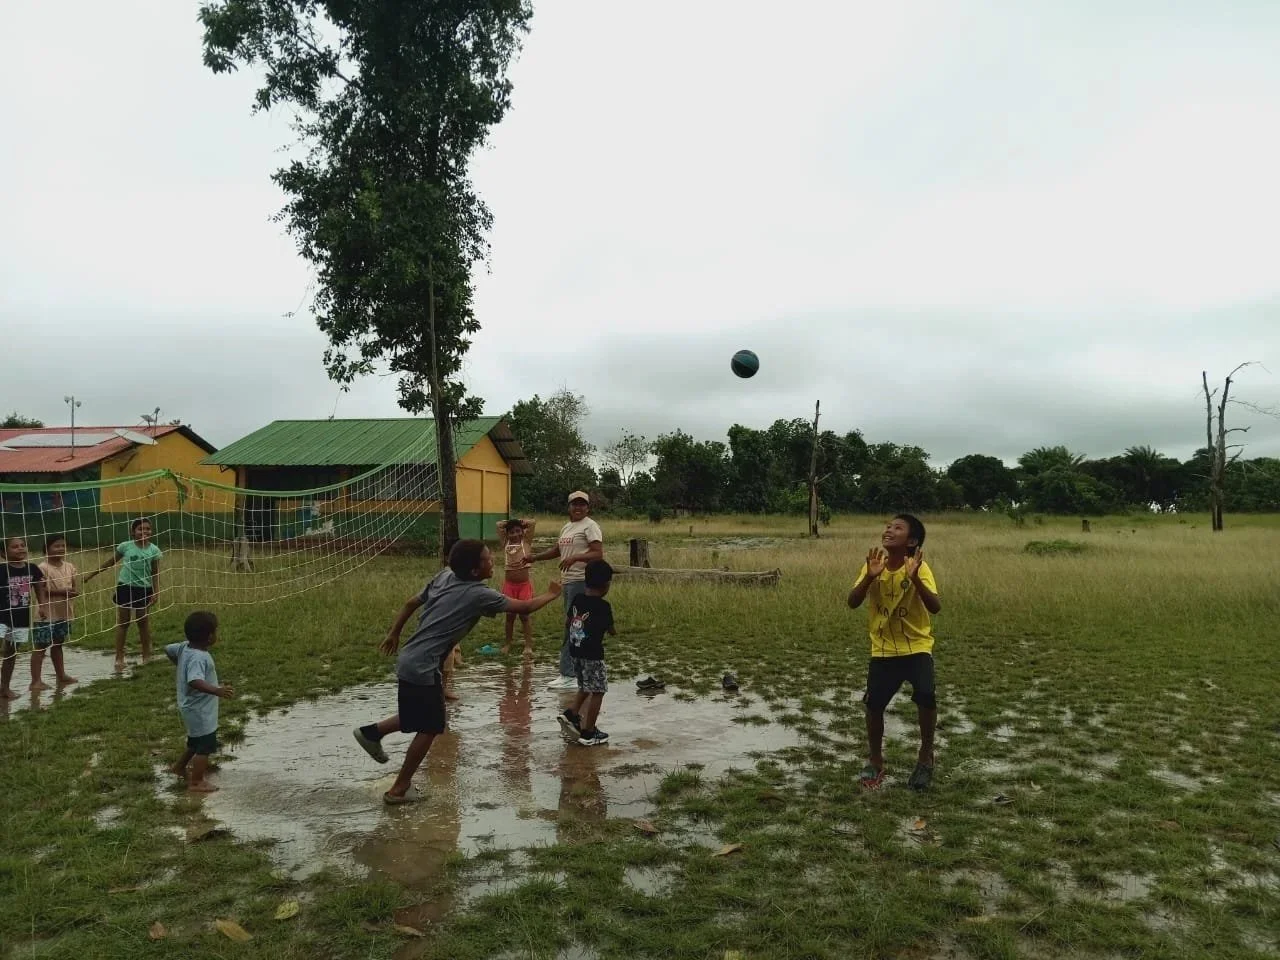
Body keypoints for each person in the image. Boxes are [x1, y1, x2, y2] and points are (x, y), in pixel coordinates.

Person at [352, 539, 561, 805]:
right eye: (487, 558)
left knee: (420, 713)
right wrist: (552, 593)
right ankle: (399, 789)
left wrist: (394, 633)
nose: (493, 560)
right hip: (423, 665)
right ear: (475, 571)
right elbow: (525, 607)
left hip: (411, 659)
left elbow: (409, 602)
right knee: (430, 726)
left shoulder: (445, 576)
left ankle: (372, 732)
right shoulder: (479, 594)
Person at [847, 514, 942, 792]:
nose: (888, 530)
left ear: (911, 541)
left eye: (897, 528)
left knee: (926, 695)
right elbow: (852, 601)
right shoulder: (873, 565)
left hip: (916, 646)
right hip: (884, 649)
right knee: (874, 705)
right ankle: (875, 761)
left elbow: (935, 607)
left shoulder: (919, 568)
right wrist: (869, 578)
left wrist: (916, 580)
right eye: (888, 526)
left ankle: (925, 757)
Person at [528, 492, 604, 690]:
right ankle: (574, 671)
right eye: (574, 504)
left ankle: (569, 674)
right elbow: (557, 550)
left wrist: (576, 558)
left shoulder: (590, 526)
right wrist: (534, 558)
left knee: (573, 626)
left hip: (580, 580)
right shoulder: (567, 527)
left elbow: (598, 553)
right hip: (568, 581)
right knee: (572, 625)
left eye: (582, 505)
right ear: (568, 506)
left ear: (588, 508)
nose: (578, 508)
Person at [165, 611, 235, 793]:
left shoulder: (183, 648)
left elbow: (168, 649)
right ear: (210, 636)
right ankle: (196, 782)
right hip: (200, 710)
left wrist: (180, 664)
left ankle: (179, 767)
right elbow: (194, 681)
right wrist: (216, 690)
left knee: (195, 742)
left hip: (190, 707)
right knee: (205, 746)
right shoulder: (199, 657)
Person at [86, 517, 162, 668]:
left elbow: (155, 573)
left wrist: (156, 592)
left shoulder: (154, 550)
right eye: (140, 529)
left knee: (143, 622)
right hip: (125, 587)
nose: (144, 531)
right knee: (124, 623)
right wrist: (92, 574)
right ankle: (119, 657)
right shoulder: (125, 546)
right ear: (133, 532)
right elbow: (110, 562)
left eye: (147, 529)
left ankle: (146, 656)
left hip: (144, 590)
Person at [557, 559, 616, 746]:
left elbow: (568, 623)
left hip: (575, 652)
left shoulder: (577, 599)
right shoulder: (604, 607)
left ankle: (572, 713)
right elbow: (611, 630)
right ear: (606, 584)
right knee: (598, 690)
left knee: (584, 685)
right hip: (593, 656)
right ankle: (589, 732)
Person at [1, 537, 47, 700]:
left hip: (21, 618)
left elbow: (39, 587)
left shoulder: (32, 568)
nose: (20, 549)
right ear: (3, 553)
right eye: (14, 547)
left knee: (11, 653)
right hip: (2, 617)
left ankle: (4, 688)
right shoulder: (1, 570)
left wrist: (42, 605)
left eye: (23, 545)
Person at [33, 534, 80, 690]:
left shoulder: (70, 566)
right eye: (56, 546)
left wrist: (72, 592)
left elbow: (74, 587)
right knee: (41, 646)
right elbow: (42, 591)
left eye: (63, 546)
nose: (61, 549)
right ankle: (36, 681)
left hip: (64, 612)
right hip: (45, 614)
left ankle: (61, 675)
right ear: (47, 549)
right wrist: (62, 592)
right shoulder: (42, 568)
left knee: (58, 644)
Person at [496, 517, 537, 655]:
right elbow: (498, 525)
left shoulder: (526, 542)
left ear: (523, 532)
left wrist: (521, 522)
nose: (515, 534)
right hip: (509, 586)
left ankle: (528, 645)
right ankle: (508, 643)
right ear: (507, 534)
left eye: (518, 531)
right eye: (511, 532)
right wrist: (509, 523)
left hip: (523, 586)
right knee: (510, 616)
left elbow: (532, 523)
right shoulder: (505, 543)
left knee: (524, 616)